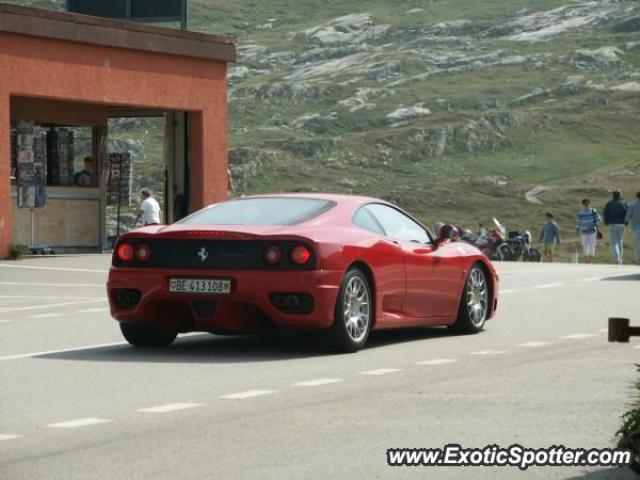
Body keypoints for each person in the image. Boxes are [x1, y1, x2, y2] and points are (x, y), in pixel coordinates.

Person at [603, 189, 628, 264]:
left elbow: (605, 213)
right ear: (620, 195)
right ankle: (620, 259)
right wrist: (626, 222)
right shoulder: (624, 203)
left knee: (614, 242)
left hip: (612, 224)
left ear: (613, 195)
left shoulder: (609, 203)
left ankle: (617, 259)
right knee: (620, 242)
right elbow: (627, 213)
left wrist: (606, 222)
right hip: (622, 225)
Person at [576, 198, 601, 264]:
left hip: (593, 231)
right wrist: (577, 229)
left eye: (588, 204)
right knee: (584, 245)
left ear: (590, 204)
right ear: (583, 205)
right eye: (585, 204)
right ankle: (586, 259)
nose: (587, 205)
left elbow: (598, 219)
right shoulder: (580, 213)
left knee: (592, 245)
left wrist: (596, 225)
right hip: (584, 231)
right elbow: (578, 221)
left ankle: (590, 260)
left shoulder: (593, 211)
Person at [626, 190, 640, 265]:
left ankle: (638, 260)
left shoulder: (632, 205)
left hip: (636, 228)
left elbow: (628, 216)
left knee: (637, 245)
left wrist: (626, 222)